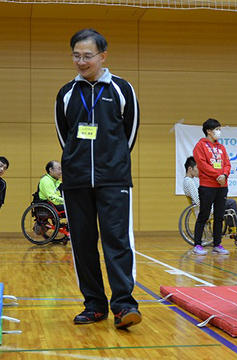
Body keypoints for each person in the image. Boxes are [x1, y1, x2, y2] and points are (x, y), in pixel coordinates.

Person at [54, 28, 140, 329]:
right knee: (82, 244)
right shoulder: (66, 93)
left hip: (113, 180)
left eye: (87, 56)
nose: (81, 61)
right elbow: (65, 137)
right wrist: (78, 164)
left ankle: (124, 305)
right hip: (76, 182)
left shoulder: (121, 89)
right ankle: (94, 305)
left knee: (117, 241)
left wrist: (111, 163)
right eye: (76, 56)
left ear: (102, 56)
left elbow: (129, 133)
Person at [192, 119, 231, 256]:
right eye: (217, 129)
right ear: (209, 131)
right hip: (207, 186)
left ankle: (217, 244)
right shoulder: (200, 146)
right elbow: (203, 165)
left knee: (219, 216)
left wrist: (224, 175)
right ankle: (197, 244)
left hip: (222, 185)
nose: (219, 132)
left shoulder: (221, 147)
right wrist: (218, 175)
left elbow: (227, 164)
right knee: (204, 215)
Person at [182, 156, 237, 233]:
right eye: (198, 168)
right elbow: (197, 199)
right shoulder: (189, 182)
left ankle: (234, 229)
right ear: (190, 169)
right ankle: (234, 230)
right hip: (207, 208)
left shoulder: (190, 181)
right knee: (231, 203)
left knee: (228, 203)